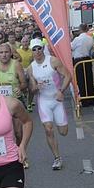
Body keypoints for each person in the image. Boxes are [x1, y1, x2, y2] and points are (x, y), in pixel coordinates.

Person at [26, 39, 71, 170]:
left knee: (63, 132)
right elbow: (32, 89)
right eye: (34, 49)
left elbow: (68, 76)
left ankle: (58, 125)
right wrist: (36, 87)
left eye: (39, 48)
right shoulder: (31, 68)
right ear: (32, 52)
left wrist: (61, 91)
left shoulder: (53, 61)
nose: (37, 51)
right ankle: (57, 158)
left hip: (57, 100)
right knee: (48, 129)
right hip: (44, 101)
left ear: (43, 48)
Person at [71, 23, 94, 107]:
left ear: (80, 29)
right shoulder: (90, 38)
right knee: (89, 79)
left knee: (81, 80)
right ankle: (92, 99)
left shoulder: (77, 39)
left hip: (78, 61)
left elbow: (71, 47)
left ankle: (85, 100)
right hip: (87, 59)